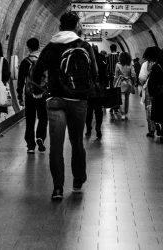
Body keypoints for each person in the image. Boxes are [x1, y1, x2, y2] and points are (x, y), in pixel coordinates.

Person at [32, 12, 99, 200]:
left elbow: (36, 73)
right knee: (77, 141)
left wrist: (41, 90)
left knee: (56, 145)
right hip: (78, 101)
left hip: (55, 100)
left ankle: (58, 188)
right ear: (77, 25)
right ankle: (78, 180)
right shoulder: (84, 45)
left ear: (59, 26)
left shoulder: (50, 46)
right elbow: (94, 73)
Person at [17, 38, 46, 153]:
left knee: (30, 119)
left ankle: (30, 145)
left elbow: (20, 80)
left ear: (28, 48)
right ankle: (40, 137)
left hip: (29, 94)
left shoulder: (25, 62)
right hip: (42, 94)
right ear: (39, 46)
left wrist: (19, 95)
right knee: (43, 117)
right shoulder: (44, 61)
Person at [86, 49, 108, 138]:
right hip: (99, 90)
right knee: (99, 111)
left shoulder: (87, 63)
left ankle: (88, 129)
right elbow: (105, 77)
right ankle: (98, 127)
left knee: (89, 111)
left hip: (89, 91)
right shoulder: (102, 62)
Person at [138, 46, 160, 138]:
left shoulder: (146, 64)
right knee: (159, 107)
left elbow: (142, 78)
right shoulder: (162, 63)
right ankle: (160, 125)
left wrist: (144, 83)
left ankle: (151, 130)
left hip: (149, 89)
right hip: (160, 89)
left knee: (149, 108)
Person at [114, 52, 135, 119]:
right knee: (127, 98)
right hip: (128, 82)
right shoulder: (131, 65)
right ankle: (125, 112)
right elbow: (133, 74)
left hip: (121, 82)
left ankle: (123, 114)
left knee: (122, 98)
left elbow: (116, 76)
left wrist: (114, 83)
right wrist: (133, 82)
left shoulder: (118, 65)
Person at [105, 45, 120, 116]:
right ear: (116, 48)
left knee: (111, 91)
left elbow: (107, 66)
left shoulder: (108, 56)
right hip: (118, 77)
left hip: (111, 77)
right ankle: (117, 107)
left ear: (110, 49)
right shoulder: (119, 56)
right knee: (117, 91)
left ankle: (112, 107)